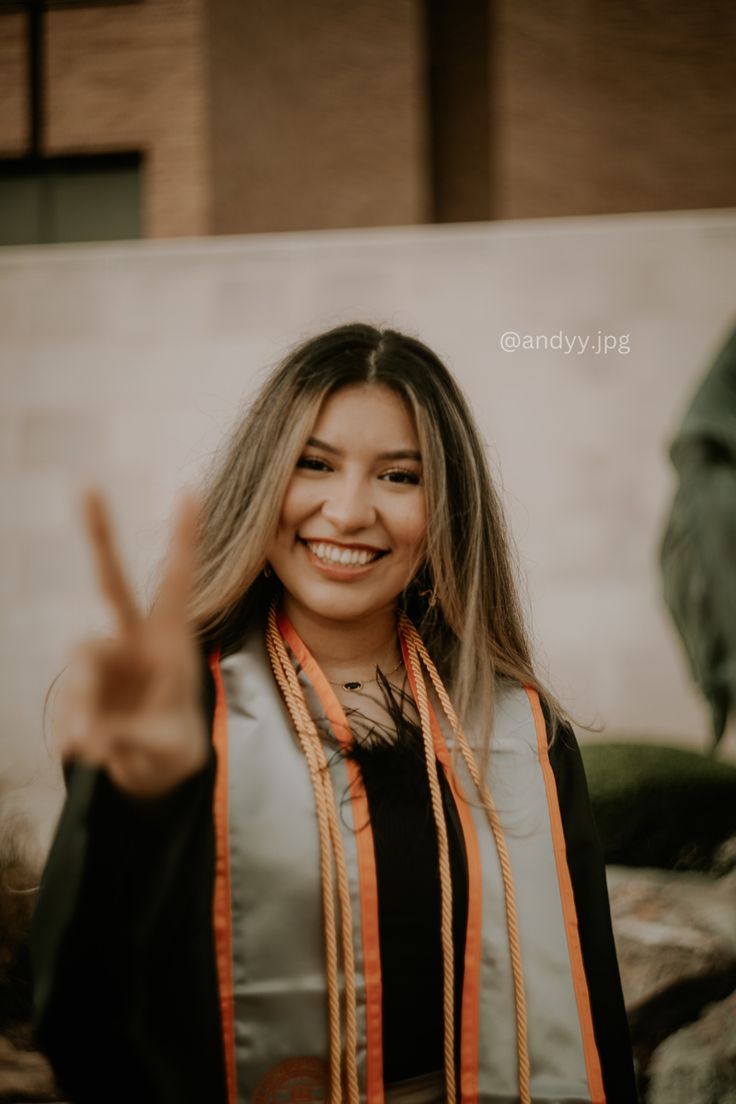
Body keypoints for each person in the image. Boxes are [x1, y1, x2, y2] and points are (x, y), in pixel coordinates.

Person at [31, 323, 638, 1104]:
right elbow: (80, 1020)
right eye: (314, 464)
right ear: (263, 480)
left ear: (445, 505)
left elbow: (596, 1022)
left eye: (399, 476)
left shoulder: (520, 730)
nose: (349, 512)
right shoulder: (183, 717)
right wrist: (129, 802)